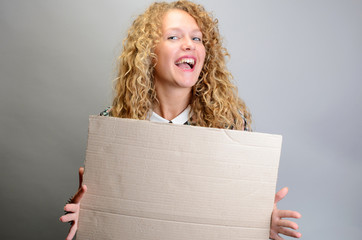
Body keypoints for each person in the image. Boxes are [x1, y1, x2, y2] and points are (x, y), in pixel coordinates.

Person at [59, 1, 302, 239]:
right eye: (174, 37)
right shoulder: (113, 122)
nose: (189, 45)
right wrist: (87, 212)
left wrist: (257, 223)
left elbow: (229, 215)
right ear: (148, 52)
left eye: (197, 38)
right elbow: (111, 212)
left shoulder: (229, 126)